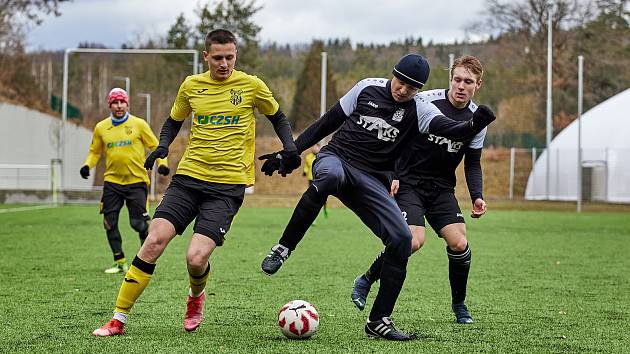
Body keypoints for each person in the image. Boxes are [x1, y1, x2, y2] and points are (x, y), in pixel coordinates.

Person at [258, 54, 496, 340]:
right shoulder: (366, 88)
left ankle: (379, 320)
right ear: (391, 75)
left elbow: (450, 129)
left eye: (411, 87)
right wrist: (292, 151)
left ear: (418, 89)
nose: (403, 90)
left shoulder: (419, 109)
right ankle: (283, 248)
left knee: (402, 240)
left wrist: (474, 124)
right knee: (329, 177)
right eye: (400, 82)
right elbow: (327, 122)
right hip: (338, 160)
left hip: (371, 179)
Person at [92, 29, 300, 336]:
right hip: (188, 179)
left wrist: (290, 148)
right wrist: (163, 145)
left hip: (227, 187)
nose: (224, 64)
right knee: (153, 242)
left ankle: (195, 296)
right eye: (217, 58)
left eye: (229, 57)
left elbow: (278, 116)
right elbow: (174, 120)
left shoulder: (251, 85)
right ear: (206, 56)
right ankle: (118, 319)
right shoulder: (192, 86)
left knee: (195, 258)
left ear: (235, 55)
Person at [351, 55, 488, 325]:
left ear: (478, 85)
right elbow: (397, 136)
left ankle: (459, 305)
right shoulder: (426, 101)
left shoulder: (476, 119)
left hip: (441, 189)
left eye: (468, 82)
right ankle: (367, 278)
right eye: (457, 79)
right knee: (413, 241)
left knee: (460, 243)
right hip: (409, 182)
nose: (461, 85)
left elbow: (473, 162)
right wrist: (393, 173)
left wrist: (477, 195)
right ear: (451, 79)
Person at [80, 88, 170, 274]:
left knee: (137, 224)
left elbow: (155, 146)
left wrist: (162, 163)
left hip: (136, 182)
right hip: (112, 182)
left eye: (122, 102)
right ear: (110, 105)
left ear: (127, 103)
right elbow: (95, 151)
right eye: (115, 102)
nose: (119, 105)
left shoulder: (139, 124)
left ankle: (147, 258)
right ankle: (120, 262)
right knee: (109, 222)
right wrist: (87, 165)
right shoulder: (101, 128)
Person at [302, 144, 327, 219]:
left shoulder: (322, 156)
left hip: (320, 178)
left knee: (322, 196)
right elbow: (306, 166)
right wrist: (305, 171)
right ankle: (312, 214)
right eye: (313, 147)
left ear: (319, 148)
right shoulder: (308, 157)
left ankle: (325, 208)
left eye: (316, 147)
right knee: (312, 197)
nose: (314, 148)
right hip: (311, 178)